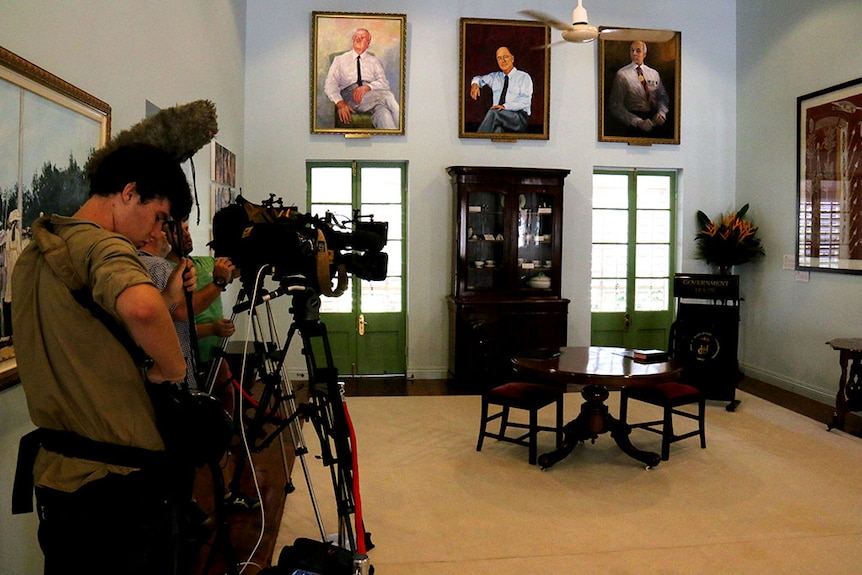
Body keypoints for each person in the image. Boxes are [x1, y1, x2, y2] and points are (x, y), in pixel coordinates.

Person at [11, 143, 195, 575]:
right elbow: (141, 309)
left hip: (59, 480)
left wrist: (166, 300)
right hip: (118, 488)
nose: (156, 232)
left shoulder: (36, 252)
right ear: (129, 193)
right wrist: (173, 368)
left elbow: (90, 339)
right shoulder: (104, 246)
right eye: (159, 217)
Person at [324, 27, 400, 129]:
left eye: (362, 37)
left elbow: (384, 83)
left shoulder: (374, 61)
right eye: (356, 37)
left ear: (368, 43)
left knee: (384, 114)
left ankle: (394, 141)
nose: (358, 39)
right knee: (388, 97)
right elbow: (330, 85)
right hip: (351, 96)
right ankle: (404, 130)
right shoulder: (340, 60)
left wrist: (367, 87)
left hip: (372, 95)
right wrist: (340, 103)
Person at [608, 40, 670, 135]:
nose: (634, 54)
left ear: (644, 54)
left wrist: (662, 113)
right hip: (632, 121)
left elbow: (662, 97)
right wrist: (637, 121)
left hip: (654, 119)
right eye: (632, 50)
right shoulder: (622, 74)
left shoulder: (653, 73)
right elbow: (615, 105)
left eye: (638, 51)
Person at [469, 46, 533, 133]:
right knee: (497, 130)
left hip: (518, 118)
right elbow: (479, 78)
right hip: (500, 117)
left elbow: (525, 101)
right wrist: (475, 84)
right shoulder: (495, 77)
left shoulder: (524, 77)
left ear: (512, 59)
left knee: (493, 113)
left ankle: (476, 141)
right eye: (499, 58)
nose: (503, 61)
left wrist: (504, 107)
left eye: (506, 57)